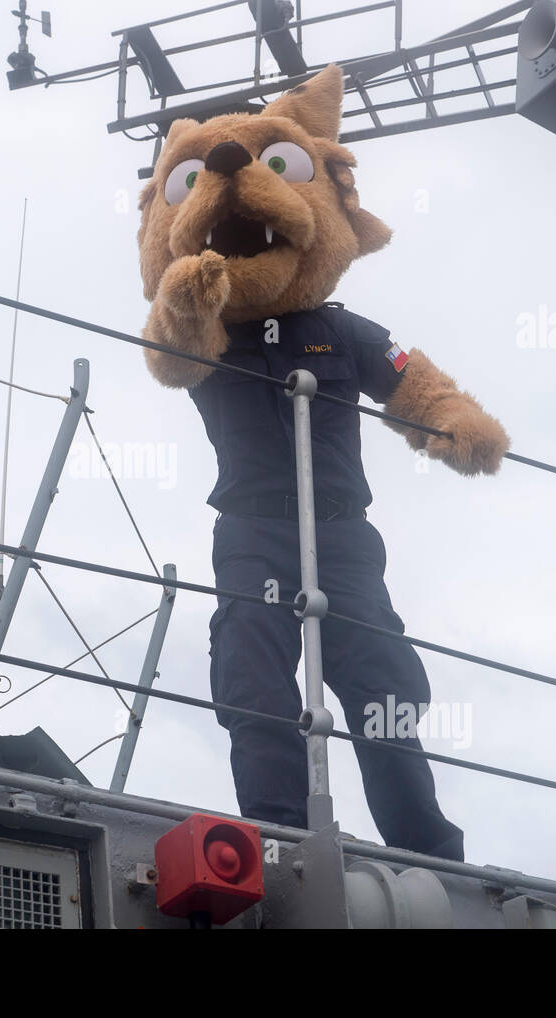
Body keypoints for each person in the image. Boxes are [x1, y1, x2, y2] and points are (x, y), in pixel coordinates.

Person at [190, 303, 469, 860]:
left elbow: (410, 382)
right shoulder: (206, 323)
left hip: (340, 533)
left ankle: (430, 856)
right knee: (254, 684)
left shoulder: (341, 331)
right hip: (254, 531)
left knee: (383, 692)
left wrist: (453, 422)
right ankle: (283, 846)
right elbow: (166, 347)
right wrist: (189, 280)